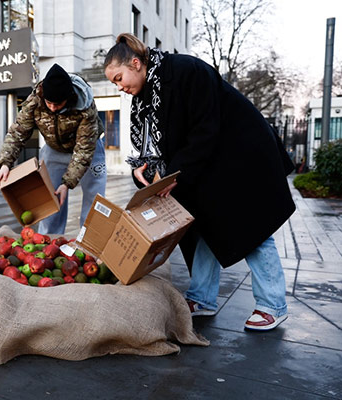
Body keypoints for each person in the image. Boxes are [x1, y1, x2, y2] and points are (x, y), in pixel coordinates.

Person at [103, 34, 295, 331]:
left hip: (241, 158)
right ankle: (202, 298)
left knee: (251, 227)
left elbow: (206, 127)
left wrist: (172, 172)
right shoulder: (145, 97)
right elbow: (155, 147)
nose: (119, 87)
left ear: (136, 63)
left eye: (119, 77)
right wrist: (145, 168)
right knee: (203, 224)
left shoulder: (185, 71)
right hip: (206, 165)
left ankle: (273, 304)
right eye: (115, 83)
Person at [0, 63, 107, 234]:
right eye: (49, 103)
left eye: (58, 103)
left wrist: (67, 184)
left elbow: (84, 150)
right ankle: (49, 239)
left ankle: (91, 242)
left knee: (94, 198)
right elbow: (18, 132)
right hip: (54, 149)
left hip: (90, 149)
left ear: (68, 97)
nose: (53, 107)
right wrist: (5, 163)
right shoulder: (35, 100)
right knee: (50, 198)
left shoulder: (85, 107)